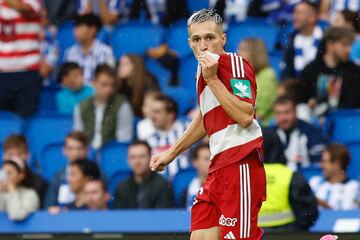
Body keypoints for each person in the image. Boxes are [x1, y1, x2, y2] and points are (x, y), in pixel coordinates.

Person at [150, 9, 266, 240]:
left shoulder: (234, 63)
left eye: (210, 38)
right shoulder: (202, 71)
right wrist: (171, 153)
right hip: (217, 169)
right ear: (189, 43)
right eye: (196, 39)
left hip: (240, 164)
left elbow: (245, 115)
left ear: (223, 39)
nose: (203, 45)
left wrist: (213, 79)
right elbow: (206, 116)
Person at [259, 128, 318, 231]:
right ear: (279, 147)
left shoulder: (246, 176)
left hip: (253, 234)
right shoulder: (290, 175)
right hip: (287, 232)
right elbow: (308, 212)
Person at [300, 27, 360, 117]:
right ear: (330, 44)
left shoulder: (354, 71)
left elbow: (352, 104)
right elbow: (303, 99)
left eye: (349, 45)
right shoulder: (311, 70)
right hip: (314, 123)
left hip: (342, 122)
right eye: (344, 45)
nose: (348, 50)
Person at [73, 64, 134, 150]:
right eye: (104, 85)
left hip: (111, 154)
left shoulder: (122, 105)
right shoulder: (81, 106)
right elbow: (78, 139)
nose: (108, 89)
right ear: (93, 83)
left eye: (112, 85)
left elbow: (123, 141)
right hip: (86, 156)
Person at [0, 0, 43, 117]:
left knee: (26, 120)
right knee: (2, 122)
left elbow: (25, 9)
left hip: (27, 72)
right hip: (2, 72)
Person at [273, 96, 328, 171]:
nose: (283, 118)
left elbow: (318, 166)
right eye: (278, 113)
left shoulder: (311, 132)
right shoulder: (270, 134)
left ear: (296, 112)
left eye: (286, 112)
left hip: (304, 179)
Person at [114, 141, 173, 209]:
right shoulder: (122, 187)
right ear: (128, 160)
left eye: (142, 157)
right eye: (133, 157)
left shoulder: (163, 185)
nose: (137, 162)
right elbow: (119, 216)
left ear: (150, 158)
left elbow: (164, 216)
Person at [64, 13, 115, 84]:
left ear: (93, 30)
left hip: (97, 94)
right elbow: (66, 81)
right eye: (75, 27)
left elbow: (107, 81)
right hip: (75, 93)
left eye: (79, 26)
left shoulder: (105, 52)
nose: (75, 31)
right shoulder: (70, 52)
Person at [146, 95, 189, 179]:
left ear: (170, 115)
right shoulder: (150, 139)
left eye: (157, 112)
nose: (152, 117)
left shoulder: (187, 132)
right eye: (152, 112)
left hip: (185, 184)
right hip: (160, 188)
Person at [238, 38, 278, 126]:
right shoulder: (241, 77)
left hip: (264, 127)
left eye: (243, 49)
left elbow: (262, 110)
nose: (238, 53)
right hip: (246, 123)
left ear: (254, 53)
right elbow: (241, 106)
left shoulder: (268, 75)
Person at [44, 132, 89, 209]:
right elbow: (49, 206)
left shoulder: (98, 174)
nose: (75, 153)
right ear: (64, 150)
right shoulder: (57, 177)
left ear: (87, 150)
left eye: (79, 148)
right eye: (71, 148)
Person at [310, 143, 359, 210]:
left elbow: (352, 217)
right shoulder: (314, 183)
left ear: (337, 163)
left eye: (324, 162)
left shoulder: (354, 188)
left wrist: (326, 207)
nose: (321, 165)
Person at [2, 135, 48, 208]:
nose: (10, 159)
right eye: (8, 154)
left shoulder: (38, 183)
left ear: (26, 155)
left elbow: (18, 213)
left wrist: (11, 188)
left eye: (14, 155)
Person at [283, 0, 323, 78]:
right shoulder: (291, 41)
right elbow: (287, 73)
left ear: (313, 17)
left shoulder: (325, 41)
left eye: (299, 13)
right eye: (294, 13)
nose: (294, 16)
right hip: (296, 87)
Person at [186, 144, 211, 210]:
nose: (211, 162)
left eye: (212, 159)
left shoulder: (224, 188)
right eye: (206, 159)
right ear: (195, 162)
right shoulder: (186, 190)